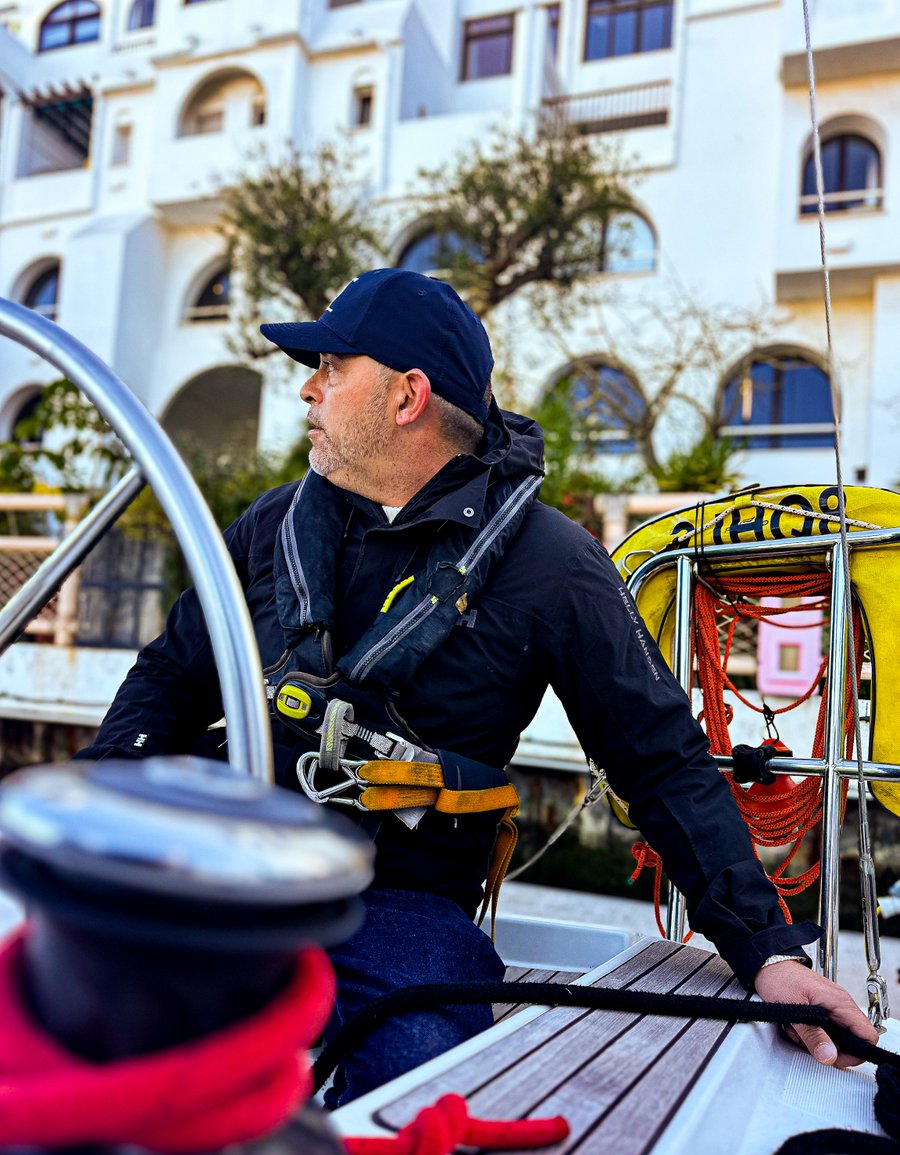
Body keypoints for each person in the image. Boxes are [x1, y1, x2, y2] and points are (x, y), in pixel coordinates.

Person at [78, 268, 876, 1106]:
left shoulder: (554, 565)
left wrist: (770, 952)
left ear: (406, 396)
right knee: (87, 1027)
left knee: (412, 1080)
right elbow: (169, 676)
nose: (308, 390)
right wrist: (101, 807)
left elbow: (661, 762)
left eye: (331, 368)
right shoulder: (271, 527)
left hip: (397, 908)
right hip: (231, 871)